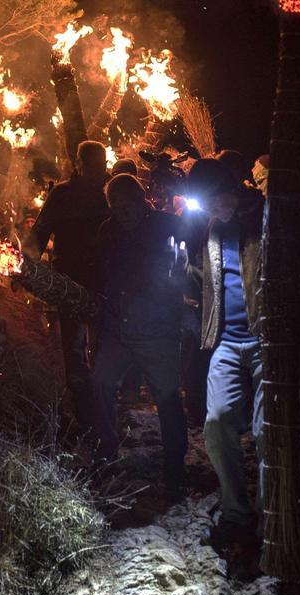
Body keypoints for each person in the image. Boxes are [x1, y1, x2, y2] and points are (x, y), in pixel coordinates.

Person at [185, 157, 300, 553]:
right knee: (217, 421)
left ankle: (271, 512)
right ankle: (236, 512)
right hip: (226, 341)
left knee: (268, 430)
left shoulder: (270, 218)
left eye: (214, 200)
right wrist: (183, 270)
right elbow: (205, 283)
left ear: (231, 188)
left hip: (268, 340)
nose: (211, 210)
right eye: (205, 205)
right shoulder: (212, 229)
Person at [89, 174, 189, 493]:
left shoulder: (166, 226)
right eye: (116, 207)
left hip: (157, 330)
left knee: (168, 397)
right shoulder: (107, 231)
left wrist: (174, 308)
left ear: (141, 199)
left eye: (128, 204)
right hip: (119, 327)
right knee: (101, 382)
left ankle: (174, 467)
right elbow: (102, 274)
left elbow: (183, 268)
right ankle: (106, 453)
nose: (123, 212)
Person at [25, 140, 111, 438]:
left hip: (102, 282)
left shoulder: (107, 193)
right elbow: (39, 232)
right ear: (80, 164)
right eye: (94, 166)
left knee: (101, 348)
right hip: (69, 283)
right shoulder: (63, 193)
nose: (98, 172)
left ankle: (102, 410)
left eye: (101, 166)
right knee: (74, 350)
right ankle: (87, 415)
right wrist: (24, 266)